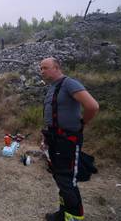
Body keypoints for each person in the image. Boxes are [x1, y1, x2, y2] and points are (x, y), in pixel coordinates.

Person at [40, 57, 99, 221]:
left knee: (67, 181)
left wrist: (82, 123)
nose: (42, 71)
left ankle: (74, 217)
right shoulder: (52, 87)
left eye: (45, 67)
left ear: (57, 67)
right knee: (59, 177)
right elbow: (51, 116)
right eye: (41, 68)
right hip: (54, 139)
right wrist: (45, 138)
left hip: (67, 141)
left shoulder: (69, 83)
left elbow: (92, 106)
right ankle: (63, 212)